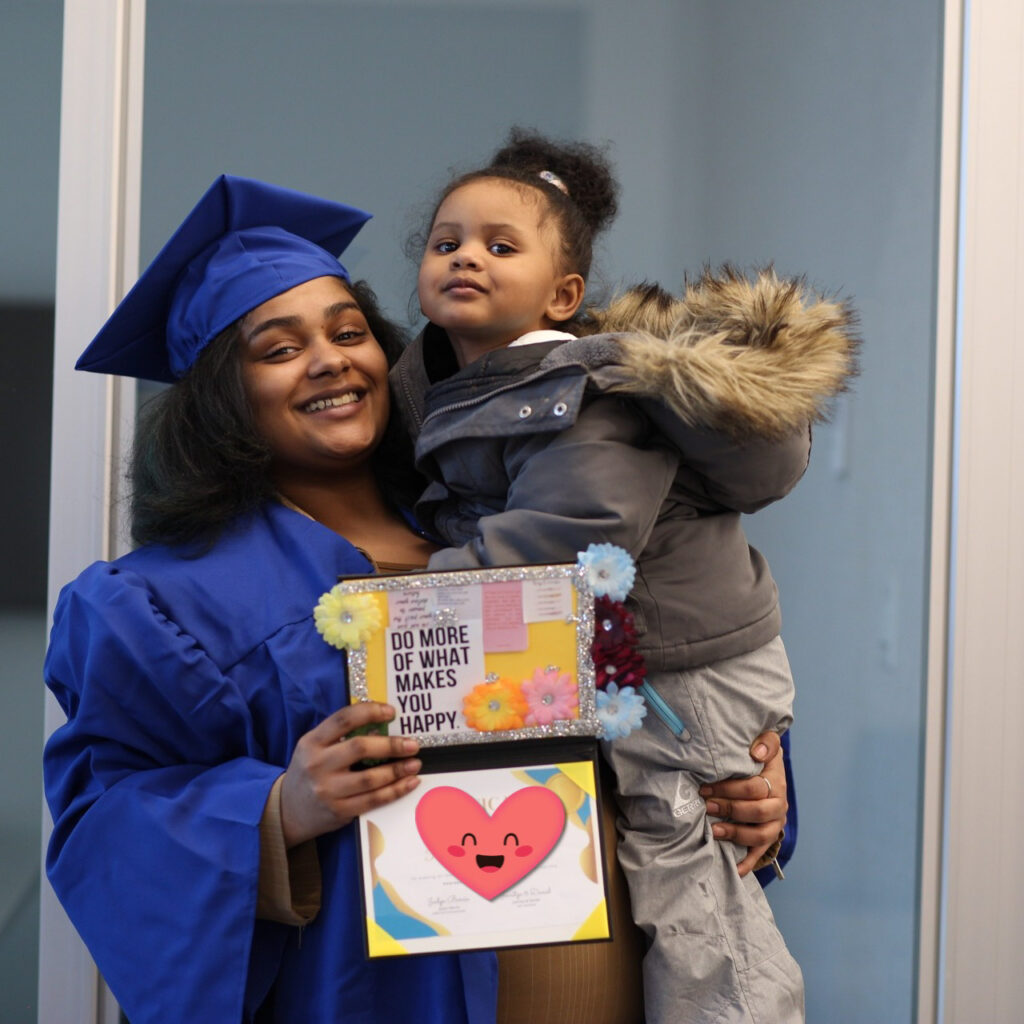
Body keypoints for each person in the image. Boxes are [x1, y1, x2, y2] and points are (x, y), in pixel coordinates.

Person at [43, 174, 789, 1024]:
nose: (331, 359)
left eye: (349, 332)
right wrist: (278, 808)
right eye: (279, 349)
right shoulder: (163, 604)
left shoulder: (506, 520)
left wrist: (747, 792)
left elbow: (668, 669)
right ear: (222, 398)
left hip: (627, 981)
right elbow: (104, 829)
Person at [391, 130, 858, 1023]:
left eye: (500, 246)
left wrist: (426, 587)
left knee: (697, 891)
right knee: (676, 874)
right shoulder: (454, 394)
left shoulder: (578, 393)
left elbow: (569, 536)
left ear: (566, 294)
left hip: (683, 672)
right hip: (645, 672)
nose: (465, 259)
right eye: (446, 242)